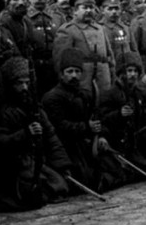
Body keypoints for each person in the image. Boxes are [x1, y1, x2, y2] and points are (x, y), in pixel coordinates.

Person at [0, 57, 73, 210]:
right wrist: (25, 134)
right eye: (19, 83)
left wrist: (63, 165)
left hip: (35, 163)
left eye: (27, 83)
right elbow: (0, 142)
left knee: (60, 184)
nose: (24, 88)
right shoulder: (3, 112)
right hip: (14, 165)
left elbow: (51, 137)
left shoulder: (35, 108)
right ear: (10, 85)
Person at [41, 48, 126, 192]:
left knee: (117, 170)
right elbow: (58, 126)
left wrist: (101, 136)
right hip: (68, 147)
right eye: (69, 72)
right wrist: (86, 127)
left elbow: (96, 118)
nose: (74, 75)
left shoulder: (85, 94)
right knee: (87, 180)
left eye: (77, 71)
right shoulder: (52, 98)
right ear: (61, 74)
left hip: (86, 144)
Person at [52, 0, 115, 94]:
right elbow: (60, 60)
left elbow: (109, 55)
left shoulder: (100, 29)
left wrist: (112, 73)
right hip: (82, 78)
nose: (89, 11)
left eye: (91, 7)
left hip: (103, 77)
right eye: (84, 8)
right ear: (75, 11)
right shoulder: (68, 30)